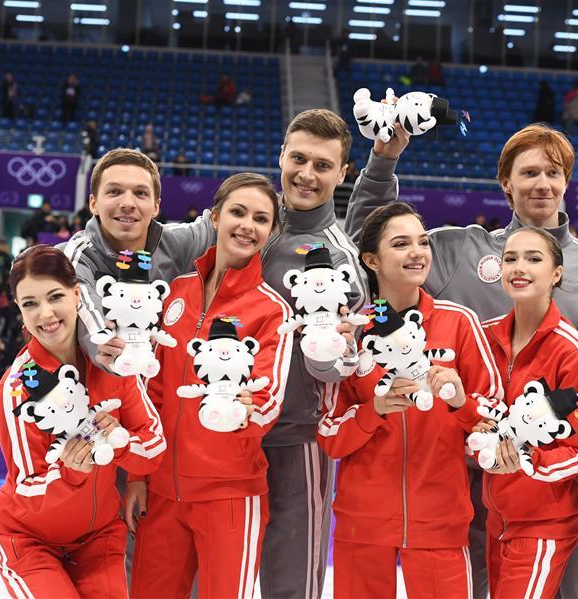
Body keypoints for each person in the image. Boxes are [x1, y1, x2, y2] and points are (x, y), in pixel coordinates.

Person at [345, 121, 578, 599]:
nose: (542, 183)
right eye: (529, 172)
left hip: (549, 482)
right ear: (505, 183)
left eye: (553, 173)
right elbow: (370, 243)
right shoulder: (460, 249)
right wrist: (383, 161)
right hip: (463, 473)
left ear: (567, 182)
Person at [318, 202, 502, 598]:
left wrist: (461, 402)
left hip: (440, 520)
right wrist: (374, 411)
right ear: (372, 260)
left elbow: (494, 422)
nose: (417, 252)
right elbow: (330, 436)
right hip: (363, 524)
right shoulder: (351, 332)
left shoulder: (458, 322)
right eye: (401, 244)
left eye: (423, 242)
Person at [126, 173, 293, 599]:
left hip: (229, 495)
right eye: (238, 212)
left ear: (271, 232)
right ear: (215, 217)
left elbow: (267, 399)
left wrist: (248, 408)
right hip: (162, 492)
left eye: (261, 219)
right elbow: (151, 391)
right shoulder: (177, 292)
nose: (247, 226)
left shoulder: (271, 310)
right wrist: (139, 476)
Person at [0, 245, 166, 598]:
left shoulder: (113, 363)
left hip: (98, 539)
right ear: (19, 311)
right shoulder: (16, 390)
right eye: (30, 303)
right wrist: (69, 472)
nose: (46, 313)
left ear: (77, 295)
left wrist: (122, 443)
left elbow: (153, 446)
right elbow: (28, 488)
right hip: (28, 542)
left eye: (55, 296)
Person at [258, 109, 370, 599]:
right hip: (223, 435)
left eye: (322, 165)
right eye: (299, 159)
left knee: (291, 585)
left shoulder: (341, 259)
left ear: (342, 173)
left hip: (295, 438)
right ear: (281, 156)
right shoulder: (248, 224)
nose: (307, 174)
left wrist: (335, 354)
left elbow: (346, 365)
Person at [480, 227, 578, 599]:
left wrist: (528, 461)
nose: (519, 267)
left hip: (545, 523)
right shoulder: (484, 336)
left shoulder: (573, 352)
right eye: (510, 259)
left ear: (556, 273)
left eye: (534, 259)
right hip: (496, 517)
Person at [58, 148, 214, 371]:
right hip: (92, 386)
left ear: (156, 206)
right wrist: (105, 343)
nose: (128, 203)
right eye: (114, 192)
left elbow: (222, 222)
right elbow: (84, 303)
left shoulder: (177, 243)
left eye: (140, 193)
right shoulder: (72, 256)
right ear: (93, 203)